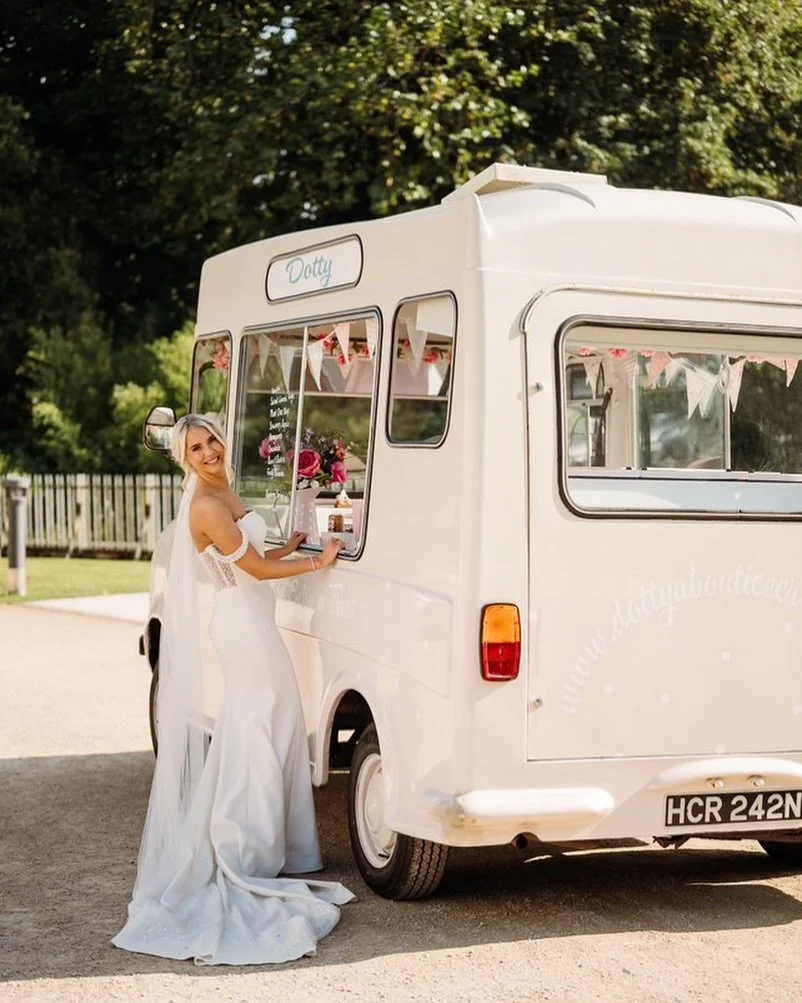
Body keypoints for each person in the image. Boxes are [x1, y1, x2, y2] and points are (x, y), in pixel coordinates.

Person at [113, 414, 353, 965]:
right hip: (241, 625)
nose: (208, 452)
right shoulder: (204, 505)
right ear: (185, 460)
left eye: (211, 441)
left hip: (253, 619)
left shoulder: (223, 487)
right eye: (195, 449)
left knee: (280, 719)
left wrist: (291, 541)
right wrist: (317, 559)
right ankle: (245, 851)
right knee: (256, 724)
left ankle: (278, 842)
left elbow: (257, 556)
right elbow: (257, 571)